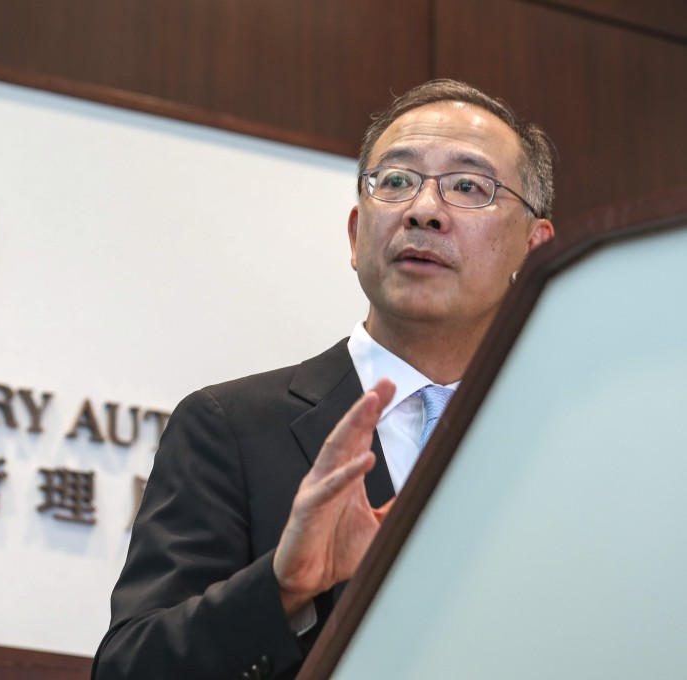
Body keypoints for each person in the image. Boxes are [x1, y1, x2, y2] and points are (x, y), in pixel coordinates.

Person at [92, 79, 556, 680]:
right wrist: (282, 589)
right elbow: (131, 669)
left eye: (469, 186)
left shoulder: (558, 447)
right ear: (355, 234)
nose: (423, 210)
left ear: (534, 247)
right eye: (395, 181)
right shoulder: (232, 427)